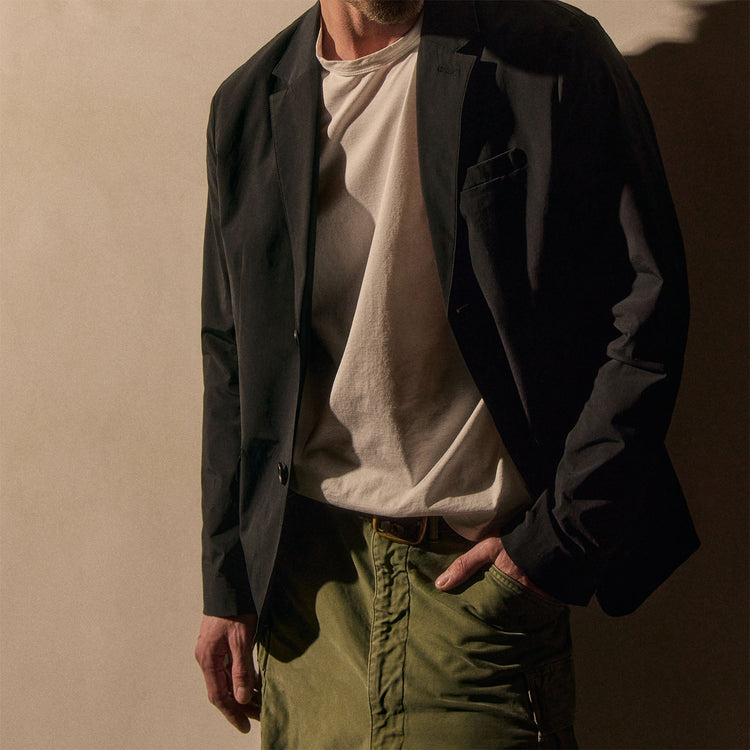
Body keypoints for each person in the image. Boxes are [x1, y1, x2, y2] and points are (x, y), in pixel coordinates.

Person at [194, 1, 699, 747]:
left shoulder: (551, 55)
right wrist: (228, 579)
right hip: (305, 598)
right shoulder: (247, 105)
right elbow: (231, 355)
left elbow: (647, 307)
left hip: (472, 590)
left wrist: (555, 544)